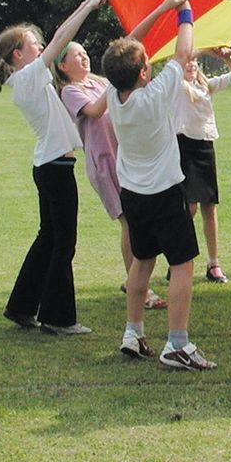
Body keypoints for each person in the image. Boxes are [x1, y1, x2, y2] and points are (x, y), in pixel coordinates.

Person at [102, 0, 217, 370]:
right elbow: (184, 55)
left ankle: (132, 333)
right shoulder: (154, 96)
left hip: (133, 194)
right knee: (182, 265)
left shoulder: (113, 94)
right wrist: (185, 13)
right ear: (143, 73)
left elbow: (130, 44)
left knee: (142, 261)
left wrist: (162, 9)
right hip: (165, 193)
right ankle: (178, 345)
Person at [0, 0, 106, 335]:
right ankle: (58, 319)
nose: (40, 48)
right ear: (18, 54)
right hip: (54, 169)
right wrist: (88, 5)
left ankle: (21, 308)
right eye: (33, 44)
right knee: (63, 241)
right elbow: (61, 38)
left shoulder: (28, 80)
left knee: (49, 239)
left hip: (51, 167)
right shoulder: (26, 78)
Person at [55, 40, 167, 310]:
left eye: (85, 53)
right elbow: (95, 111)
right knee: (129, 222)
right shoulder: (70, 91)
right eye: (76, 56)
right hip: (104, 163)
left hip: (124, 158)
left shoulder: (100, 82)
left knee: (137, 221)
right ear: (62, 66)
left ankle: (134, 282)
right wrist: (118, 81)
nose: (84, 59)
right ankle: (139, 288)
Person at [175, 46, 231, 283]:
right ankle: (178, 256)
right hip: (183, 146)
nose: (192, 65)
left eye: (195, 62)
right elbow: (180, 59)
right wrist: (204, 49)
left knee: (209, 206)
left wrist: (226, 57)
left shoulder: (204, 86)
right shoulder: (175, 86)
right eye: (188, 62)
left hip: (205, 147)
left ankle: (213, 263)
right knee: (189, 206)